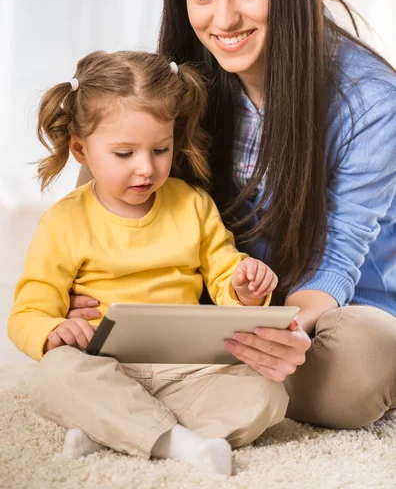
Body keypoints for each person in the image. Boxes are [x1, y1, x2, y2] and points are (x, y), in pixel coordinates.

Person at [74, 0, 396, 430]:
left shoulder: (371, 100)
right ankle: (203, 372)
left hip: (325, 311)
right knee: (118, 136)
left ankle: (191, 376)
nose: (224, 18)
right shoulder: (185, 79)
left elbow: (339, 260)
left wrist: (286, 330)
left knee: (359, 369)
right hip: (221, 296)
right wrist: (88, 291)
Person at [8, 50, 287, 476]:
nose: (146, 169)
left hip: (186, 371)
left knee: (269, 394)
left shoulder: (192, 204)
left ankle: (113, 430)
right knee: (54, 377)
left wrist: (245, 288)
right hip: (104, 367)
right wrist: (53, 332)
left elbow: (223, 270)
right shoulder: (64, 221)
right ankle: (180, 443)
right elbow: (28, 312)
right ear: (81, 150)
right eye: (124, 154)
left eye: (160, 149)